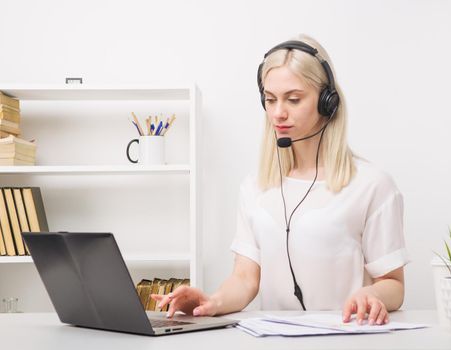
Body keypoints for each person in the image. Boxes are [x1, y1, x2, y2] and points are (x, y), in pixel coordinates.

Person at [152, 34, 409, 326]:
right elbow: (245, 278)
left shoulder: (372, 185)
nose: (278, 113)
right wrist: (212, 302)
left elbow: (394, 284)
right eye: (270, 100)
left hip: (345, 337)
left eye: (294, 99)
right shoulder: (255, 186)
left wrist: (372, 294)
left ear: (328, 102)